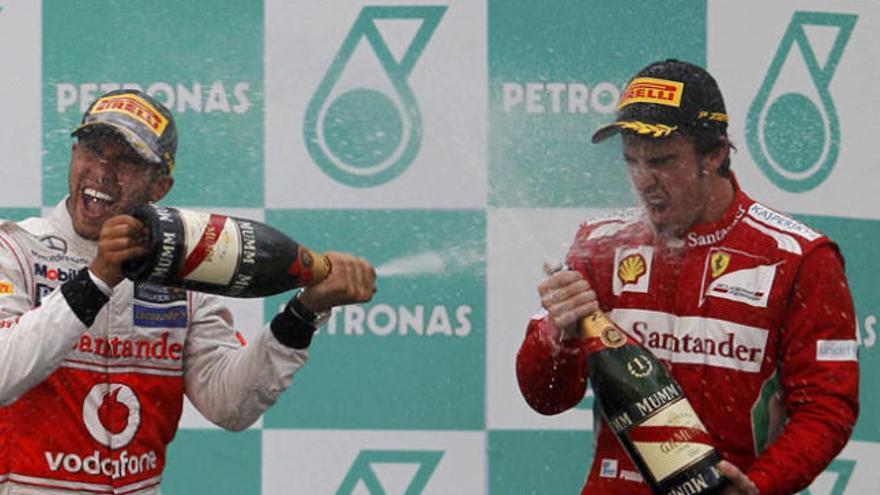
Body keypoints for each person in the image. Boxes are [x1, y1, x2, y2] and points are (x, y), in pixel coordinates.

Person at [0, 89, 376, 494]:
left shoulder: (183, 267)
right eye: (92, 149)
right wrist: (96, 280)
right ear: (74, 155)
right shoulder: (17, 250)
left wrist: (303, 313)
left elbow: (229, 405)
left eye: (125, 159)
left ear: (159, 186)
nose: (103, 169)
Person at [516, 59, 859, 495]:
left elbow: (827, 408)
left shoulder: (800, 258)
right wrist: (555, 334)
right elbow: (546, 398)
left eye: (661, 161)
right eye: (631, 161)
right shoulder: (599, 246)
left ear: (715, 154)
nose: (644, 181)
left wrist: (760, 484)